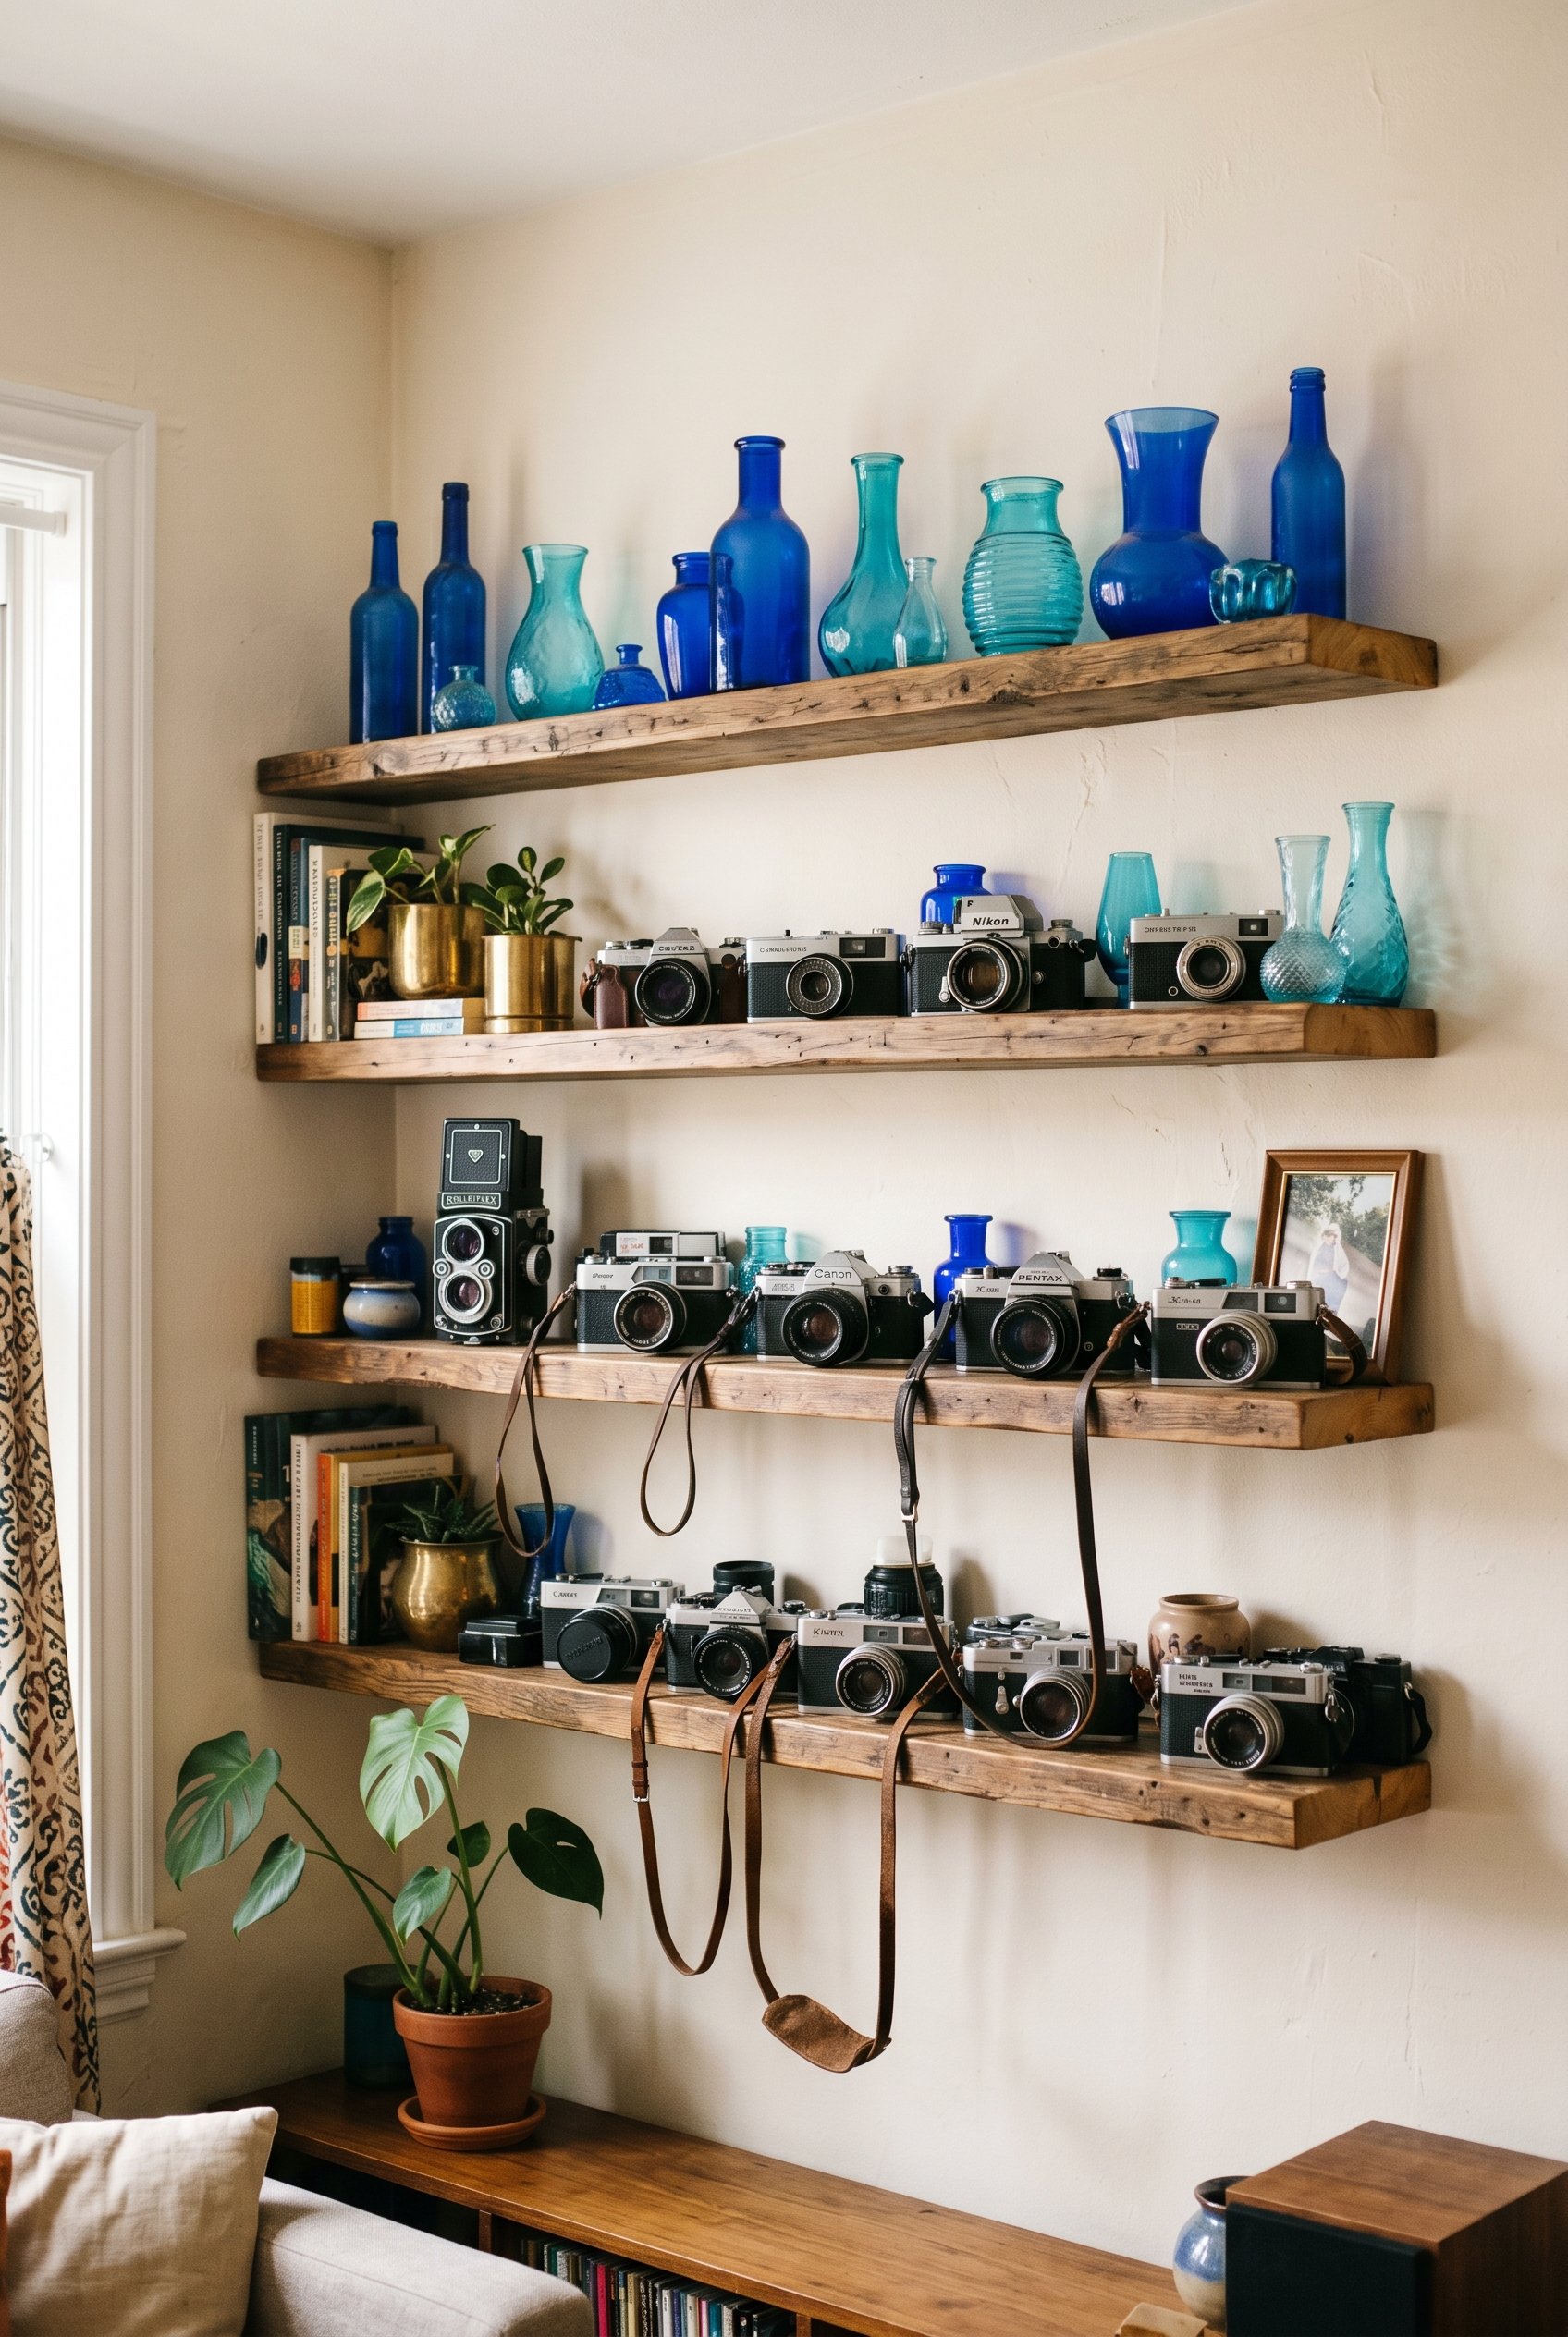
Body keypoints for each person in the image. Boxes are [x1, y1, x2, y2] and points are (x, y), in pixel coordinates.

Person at [1309, 1221, 1350, 1312]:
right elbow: (1314, 1266)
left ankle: (1332, 1313)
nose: (1332, 1238)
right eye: (1330, 1235)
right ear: (1325, 1236)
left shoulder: (1337, 1249)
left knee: (1341, 1285)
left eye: (1334, 1236)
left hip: (1331, 1278)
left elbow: (1344, 1264)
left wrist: (1339, 1274)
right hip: (1320, 1278)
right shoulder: (1319, 1248)